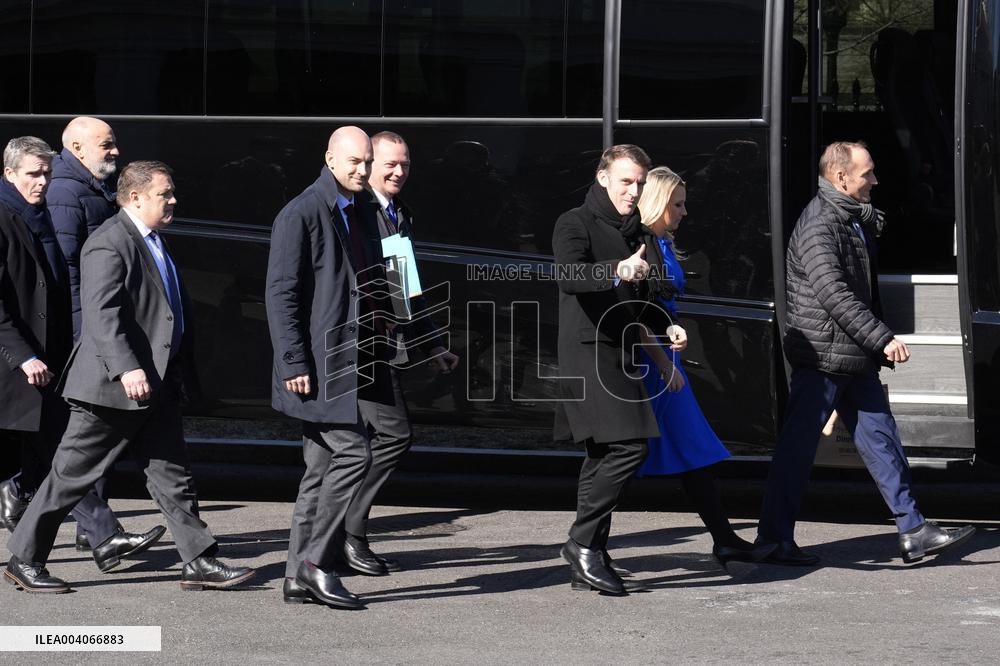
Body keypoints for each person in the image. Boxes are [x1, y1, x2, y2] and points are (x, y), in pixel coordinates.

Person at [5, 160, 256, 593]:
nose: (174, 200)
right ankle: (24, 560)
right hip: (112, 389)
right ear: (136, 197)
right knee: (69, 478)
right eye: (166, 193)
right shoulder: (109, 242)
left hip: (152, 386)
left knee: (173, 476)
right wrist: (127, 367)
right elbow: (102, 315)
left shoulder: (153, 239)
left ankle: (198, 559)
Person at [756, 141, 975, 565]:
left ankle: (913, 531)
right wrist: (881, 337)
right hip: (823, 357)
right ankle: (771, 541)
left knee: (882, 441)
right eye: (867, 173)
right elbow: (834, 293)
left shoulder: (848, 217)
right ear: (841, 177)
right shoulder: (820, 225)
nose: (875, 180)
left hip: (851, 356)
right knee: (797, 452)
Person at [0, 137, 163, 574]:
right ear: (9, 173)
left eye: (47, 173)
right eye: (34, 174)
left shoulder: (38, 212)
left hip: (43, 355)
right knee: (62, 450)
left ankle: (72, 528)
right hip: (18, 360)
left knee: (56, 452)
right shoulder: (5, 215)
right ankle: (91, 536)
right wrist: (23, 355)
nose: (43, 182)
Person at [266, 126, 392, 609]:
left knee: (318, 473)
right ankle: (315, 565)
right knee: (354, 455)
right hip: (316, 366)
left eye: (367, 161)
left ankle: (297, 578)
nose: (362, 170)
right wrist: (293, 361)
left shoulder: (359, 210)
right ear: (330, 159)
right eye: (354, 161)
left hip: (348, 361)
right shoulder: (302, 211)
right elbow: (281, 294)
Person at [552, 144, 684, 595]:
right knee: (630, 448)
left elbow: (642, 301)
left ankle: (590, 555)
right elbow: (570, 275)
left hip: (622, 352)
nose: (633, 190)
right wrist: (616, 269)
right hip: (587, 353)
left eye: (640, 183)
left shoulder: (638, 232)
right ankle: (582, 544)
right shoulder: (574, 222)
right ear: (603, 177)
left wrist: (668, 328)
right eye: (626, 181)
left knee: (603, 456)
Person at [634, 166, 772, 568]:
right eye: (677, 204)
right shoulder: (644, 246)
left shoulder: (661, 243)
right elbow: (638, 315)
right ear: (658, 203)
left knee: (682, 452)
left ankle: (724, 537)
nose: (683, 212)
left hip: (662, 357)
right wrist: (664, 366)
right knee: (631, 456)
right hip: (652, 362)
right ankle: (587, 542)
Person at [338, 130, 459, 576]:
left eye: (404, 164)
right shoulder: (359, 213)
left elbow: (406, 288)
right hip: (356, 348)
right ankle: (347, 534)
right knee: (390, 436)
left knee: (370, 443)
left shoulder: (395, 212)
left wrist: (432, 345)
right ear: (367, 164)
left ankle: (341, 534)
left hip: (380, 348)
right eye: (389, 163)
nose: (398, 171)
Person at [47, 116, 135, 552]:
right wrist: (92, 334)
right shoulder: (66, 192)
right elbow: (71, 274)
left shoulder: (87, 188)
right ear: (78, 148)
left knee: (86, 435)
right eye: (107, 144)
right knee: (79, 439)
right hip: (85, 332)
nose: (115, 151)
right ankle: (100, 533)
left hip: (91, 330)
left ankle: (93, 532)